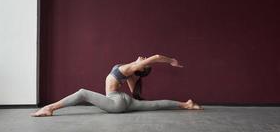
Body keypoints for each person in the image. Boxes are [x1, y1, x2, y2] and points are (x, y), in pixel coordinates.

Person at [31, 54, 203, 117]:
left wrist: (171, 61)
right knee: (156, 104)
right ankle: (186, 105)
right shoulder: (132, 76)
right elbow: (133, 91)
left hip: (116, 103)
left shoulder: (132, 68)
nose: (143, 58)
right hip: (124, 101)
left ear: (141, 67)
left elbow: (157, 56)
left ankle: (50, 108)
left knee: (82, 93)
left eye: (144, 61)